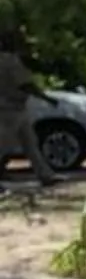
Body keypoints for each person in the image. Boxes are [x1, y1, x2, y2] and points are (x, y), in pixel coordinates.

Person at [0, 27, 44, 182]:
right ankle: (44, 174)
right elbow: (25, 84)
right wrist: (46, 98)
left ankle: (45, 174)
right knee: (4, 145)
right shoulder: (11, 61)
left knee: (30, 143)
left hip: (14, 107)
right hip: (10, 109)